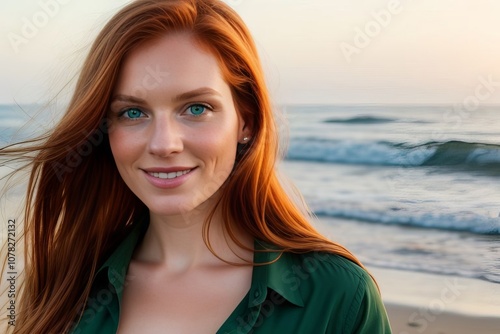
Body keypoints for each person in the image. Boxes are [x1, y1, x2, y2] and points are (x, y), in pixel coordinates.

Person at [0, 0, 392, 333]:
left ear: (246, 121)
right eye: (133, 112)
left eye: (196, 108)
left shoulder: (338, 297)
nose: (164, 143)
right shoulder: (68, 282)